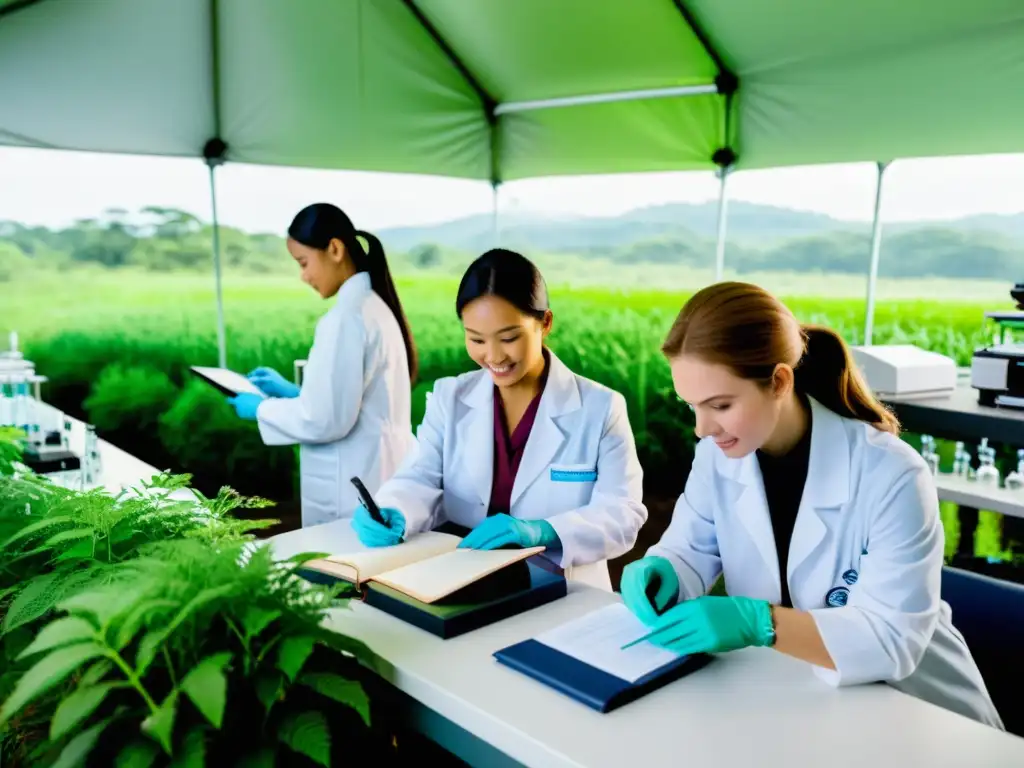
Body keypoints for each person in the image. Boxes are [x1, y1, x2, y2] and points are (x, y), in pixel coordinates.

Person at [621, 281, 1003, 730]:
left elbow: (891, 640)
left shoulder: (892, 474)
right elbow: (690, 550)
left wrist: (760, 622)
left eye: (720, 405)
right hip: (795, 696)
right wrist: (664, 567)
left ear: (780, 381)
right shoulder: (719, 457)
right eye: (692, 407)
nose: (703, 428)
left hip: (915, 710)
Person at [348, 248, 648, 590]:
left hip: (562, 589)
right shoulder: (451, 398)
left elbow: (622, 514)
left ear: (545, 323)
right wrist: (395, 508)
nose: (493, 356)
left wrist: (544, 531)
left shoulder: (600, 408)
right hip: (462, 582)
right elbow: (419, 478)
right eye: (476, 339)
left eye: (509, 338)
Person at [226, 203, 417, 528]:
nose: (304, 276)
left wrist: (261, 409)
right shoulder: (372, 306)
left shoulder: (346, 317)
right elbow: (351, 400)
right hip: (378, 470)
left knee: (345, 572)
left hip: (351, 486)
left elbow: (325, 420)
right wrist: (298, 393)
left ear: (334, 249)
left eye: (304, 262)